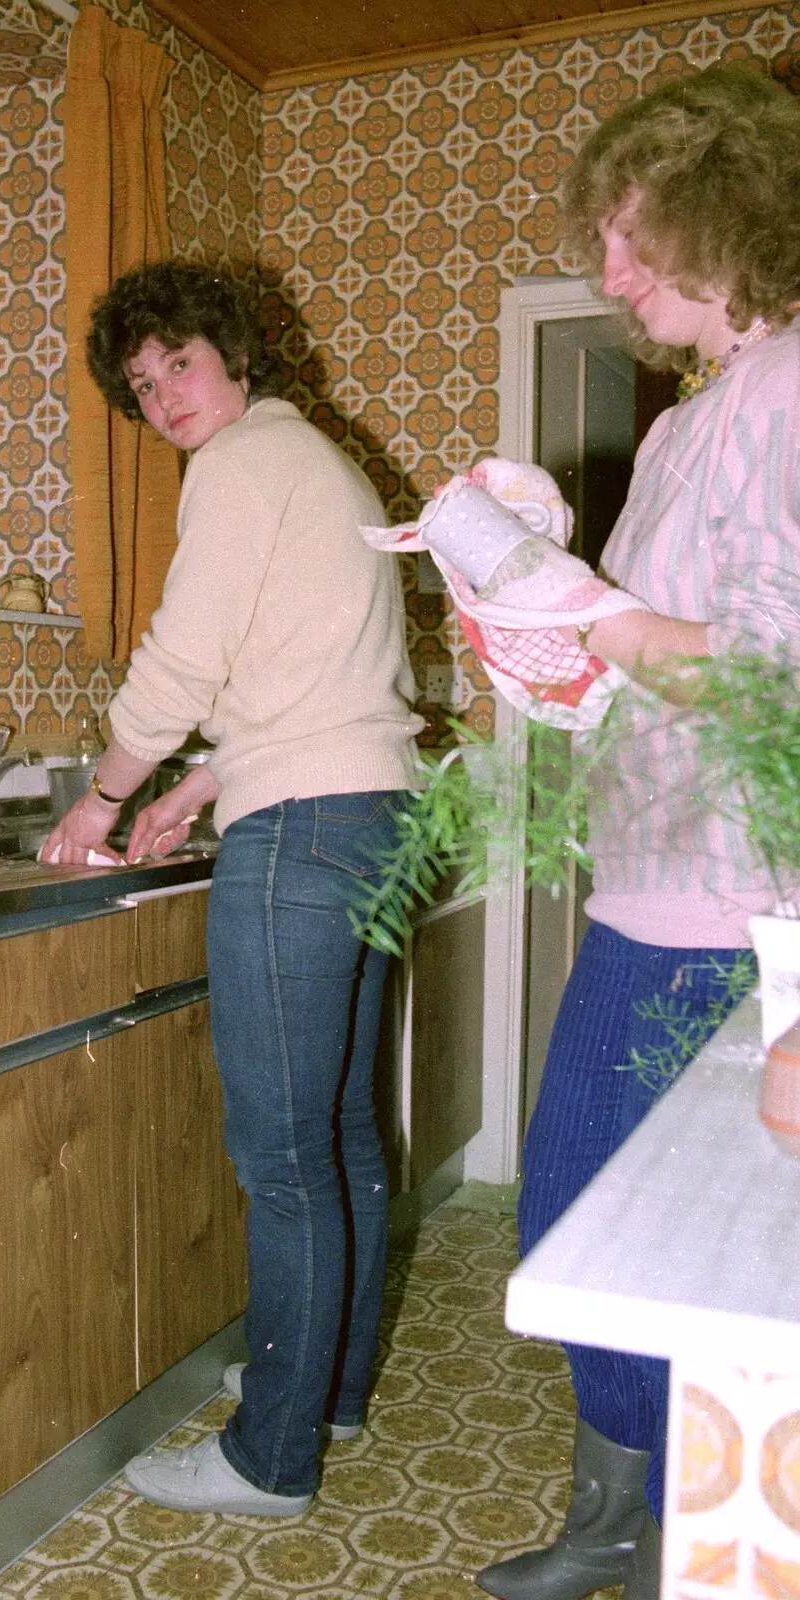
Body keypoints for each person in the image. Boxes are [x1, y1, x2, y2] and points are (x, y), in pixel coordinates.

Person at [474, 65, 800, 1600]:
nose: (603, 273)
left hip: (742, 912)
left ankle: (677, 1533)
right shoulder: (682, 431)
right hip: (646, 884)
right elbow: (624, 667)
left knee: (677, 1267)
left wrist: (590, 611)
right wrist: (526, 611)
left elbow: (772, 675)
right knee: (580, 1229)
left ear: (728, 214)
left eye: (626, 236)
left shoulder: (792, 390)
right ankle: (627, 1518)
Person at [42, 261, 421, 1515]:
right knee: (343, 1135)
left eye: (178, 367)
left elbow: (189, 655)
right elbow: (305, 663)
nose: (163, 402)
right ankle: (336, 1392)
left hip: (303, 834)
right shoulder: (314, 459)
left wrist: (102, 794)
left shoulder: (240, 463)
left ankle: (270, 1455)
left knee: (282, 1159)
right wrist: (195, 788)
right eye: (141, 390)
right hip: (370, 813)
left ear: (232, 354)